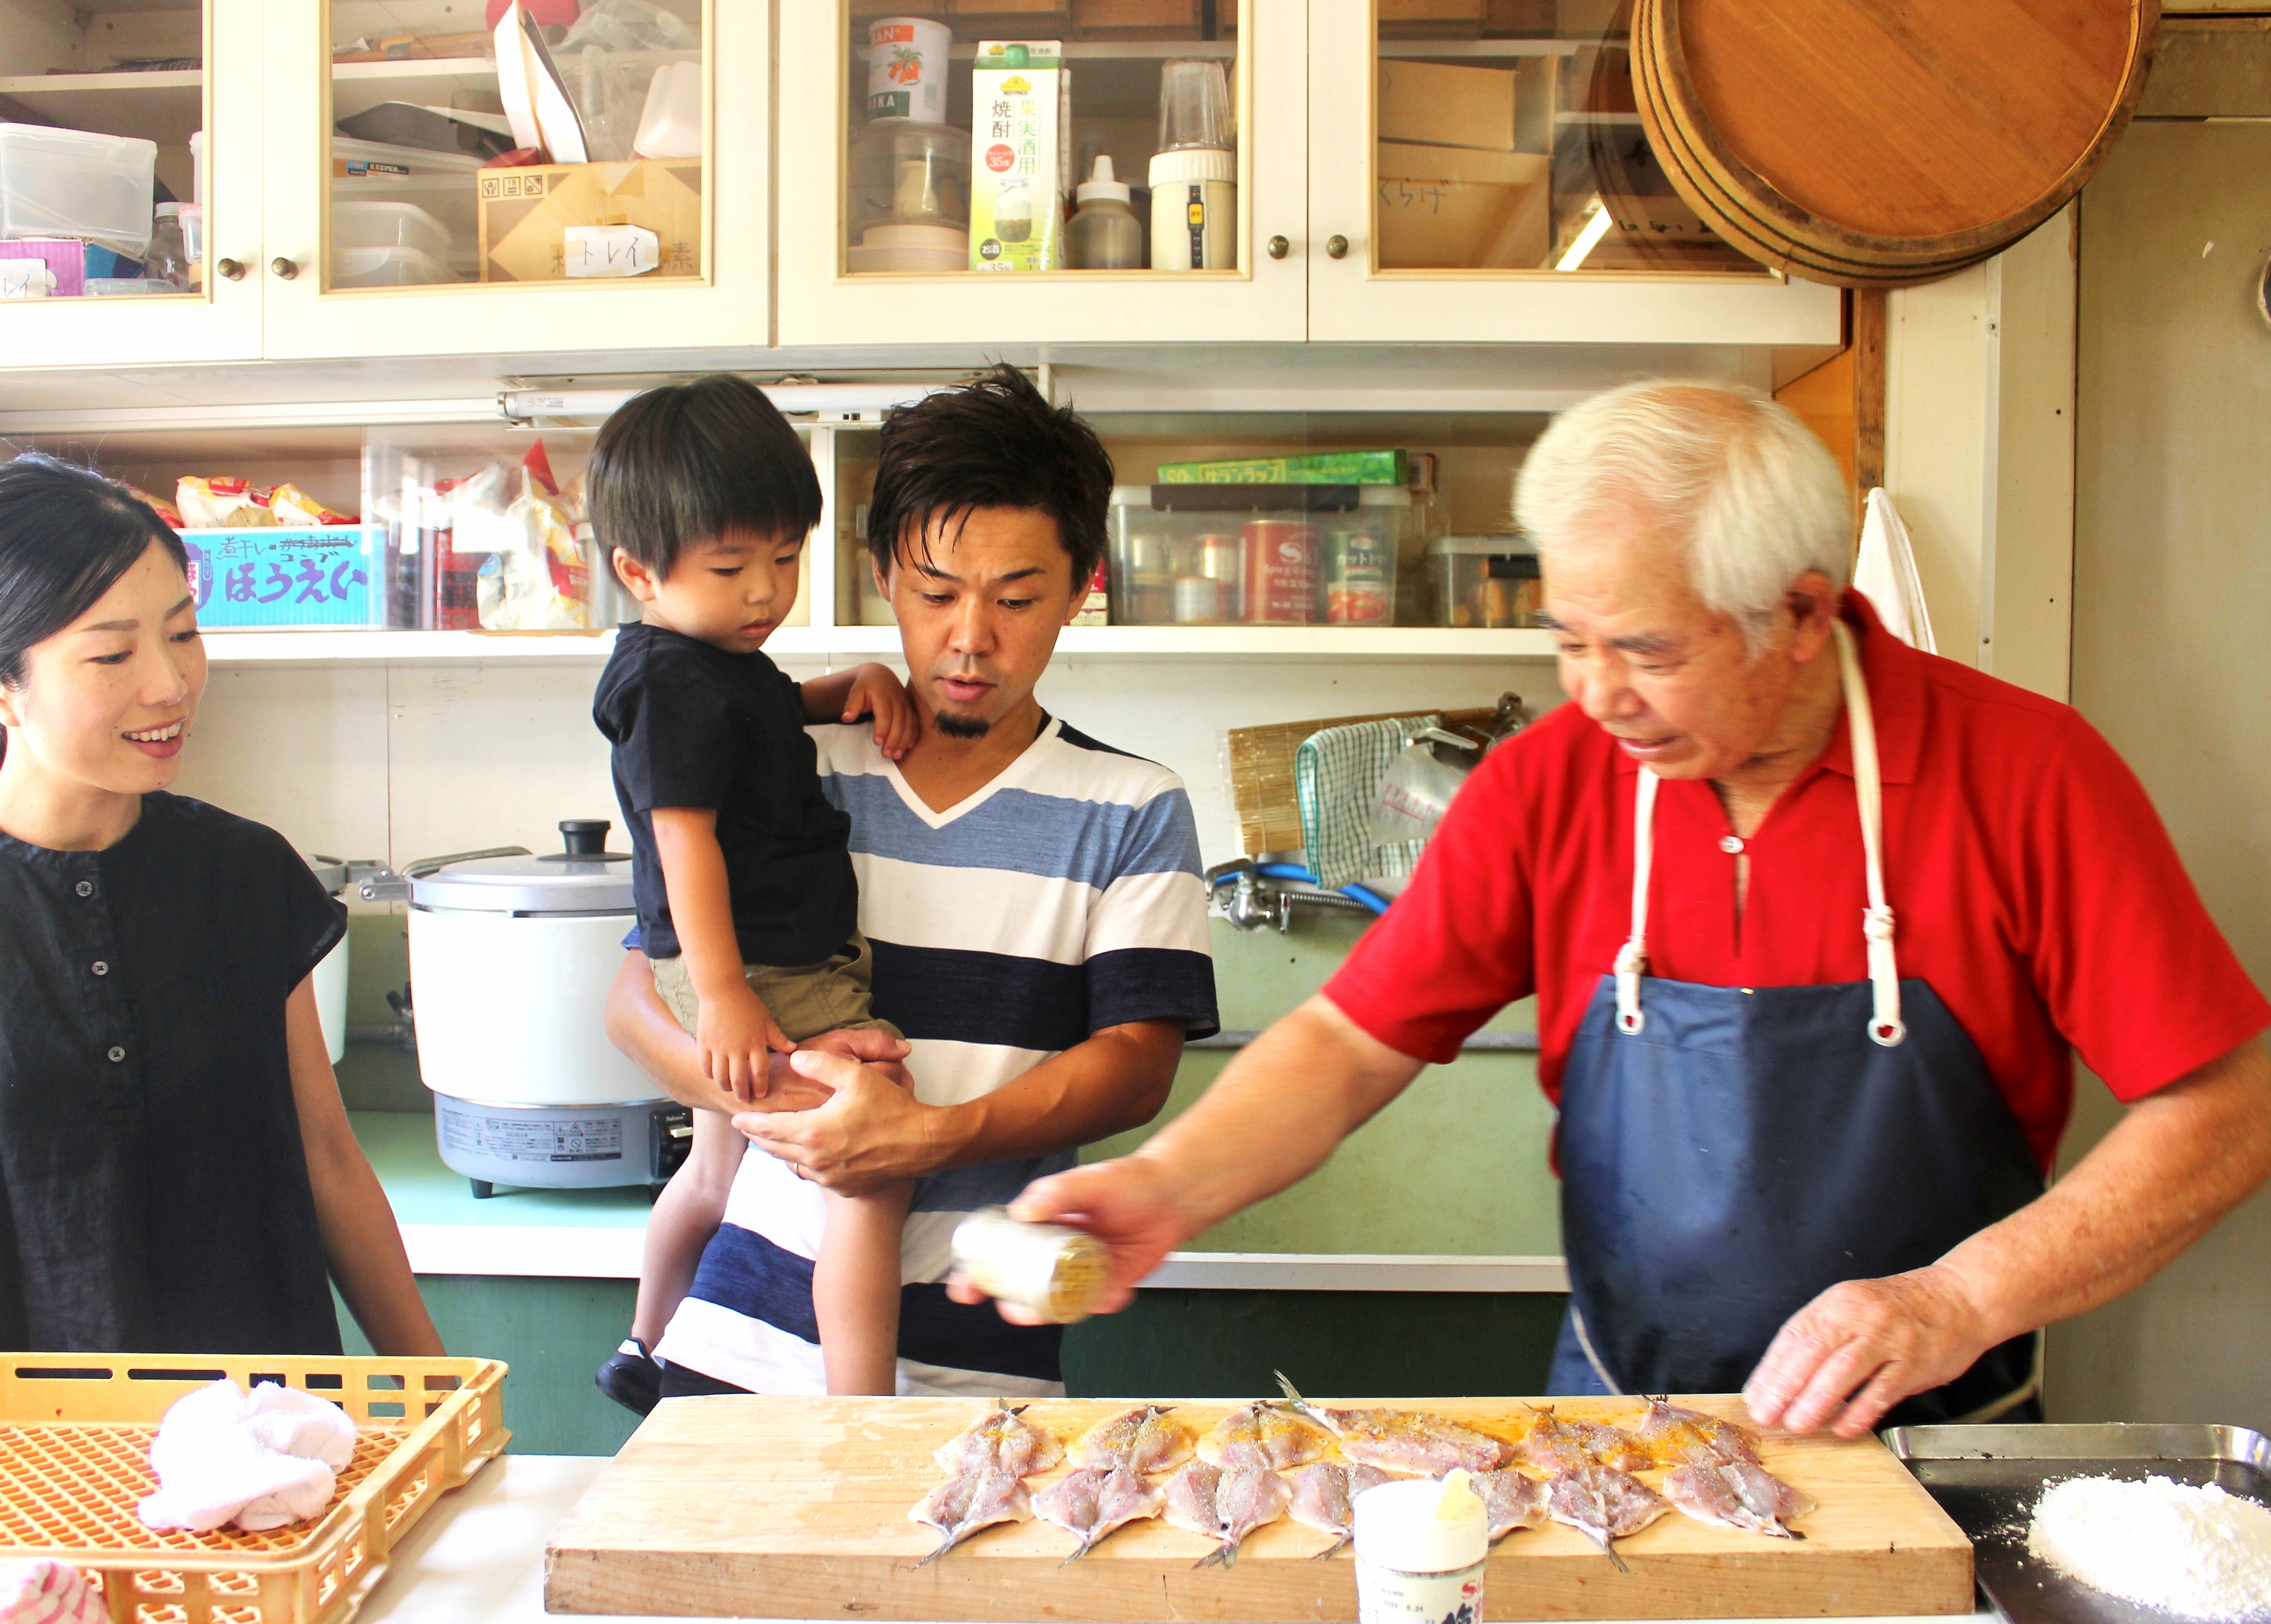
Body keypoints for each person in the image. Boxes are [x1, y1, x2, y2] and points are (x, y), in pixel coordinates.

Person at [997, 379, 2271, 1436]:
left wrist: (1958, 1296)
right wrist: (1165, 1184)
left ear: (1803, 612)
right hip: (1625, 1426)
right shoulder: (1549, 784)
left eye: (1648, 650)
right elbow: (1344, 1043)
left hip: (1943, 1446)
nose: (1597, 694)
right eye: (1568, 640)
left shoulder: (2027, 776)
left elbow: (2226, 1108)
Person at [603, 363, 1220, 1399]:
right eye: (936, 593)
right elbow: (633, 1000)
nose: (969, 637)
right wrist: (806, 1104)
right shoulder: (795, 760)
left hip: (976, 1361)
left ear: (1081, 587)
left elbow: (1135, 1068)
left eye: (1017, 598)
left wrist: (919, 1138)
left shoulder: (1133, 808)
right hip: (729, 1350)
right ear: (883, 572)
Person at [0, 454, 442, 1356]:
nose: (169, 685)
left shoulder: (244, 875)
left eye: (182, 633)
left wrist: (441, 1393)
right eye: (112, 653)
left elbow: (326, 1160)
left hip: (250, 1456)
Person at [584, 375, 921, 1403]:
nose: (766, 593)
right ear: (638, 573)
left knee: (716, 1170)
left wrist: (838, 690)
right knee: (873, 1161)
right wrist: (728, 995)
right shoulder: (670, 683)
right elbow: (682, 844)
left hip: (757, 958)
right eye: (731, 567)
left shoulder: (712, 659)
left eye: (785, 558)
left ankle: (645, 1346)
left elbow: (763, 719)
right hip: (760, 964)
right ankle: (861, 1414)